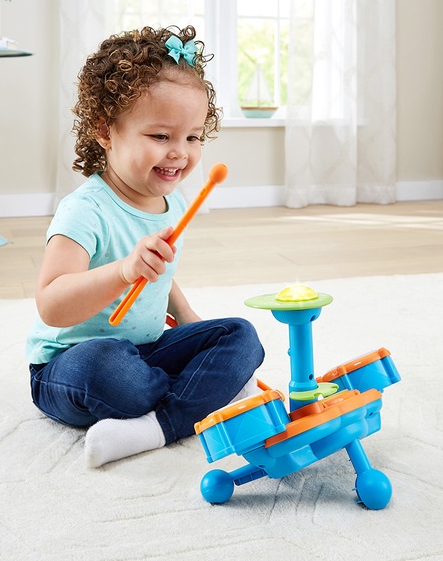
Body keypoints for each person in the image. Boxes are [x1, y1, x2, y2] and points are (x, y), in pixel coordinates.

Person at [26, 25, 265, 468]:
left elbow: (163, 275)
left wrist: (190, 323)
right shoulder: (85, 211)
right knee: (109, 367)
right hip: (72, 364)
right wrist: (123, 271)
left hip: (146, 349)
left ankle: (156, 426)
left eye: (192, 137)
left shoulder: (173, 203)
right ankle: (199, 397)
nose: (180, 152)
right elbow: (51, 305)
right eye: (160, 136)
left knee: (240, 337)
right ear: (105, 131)